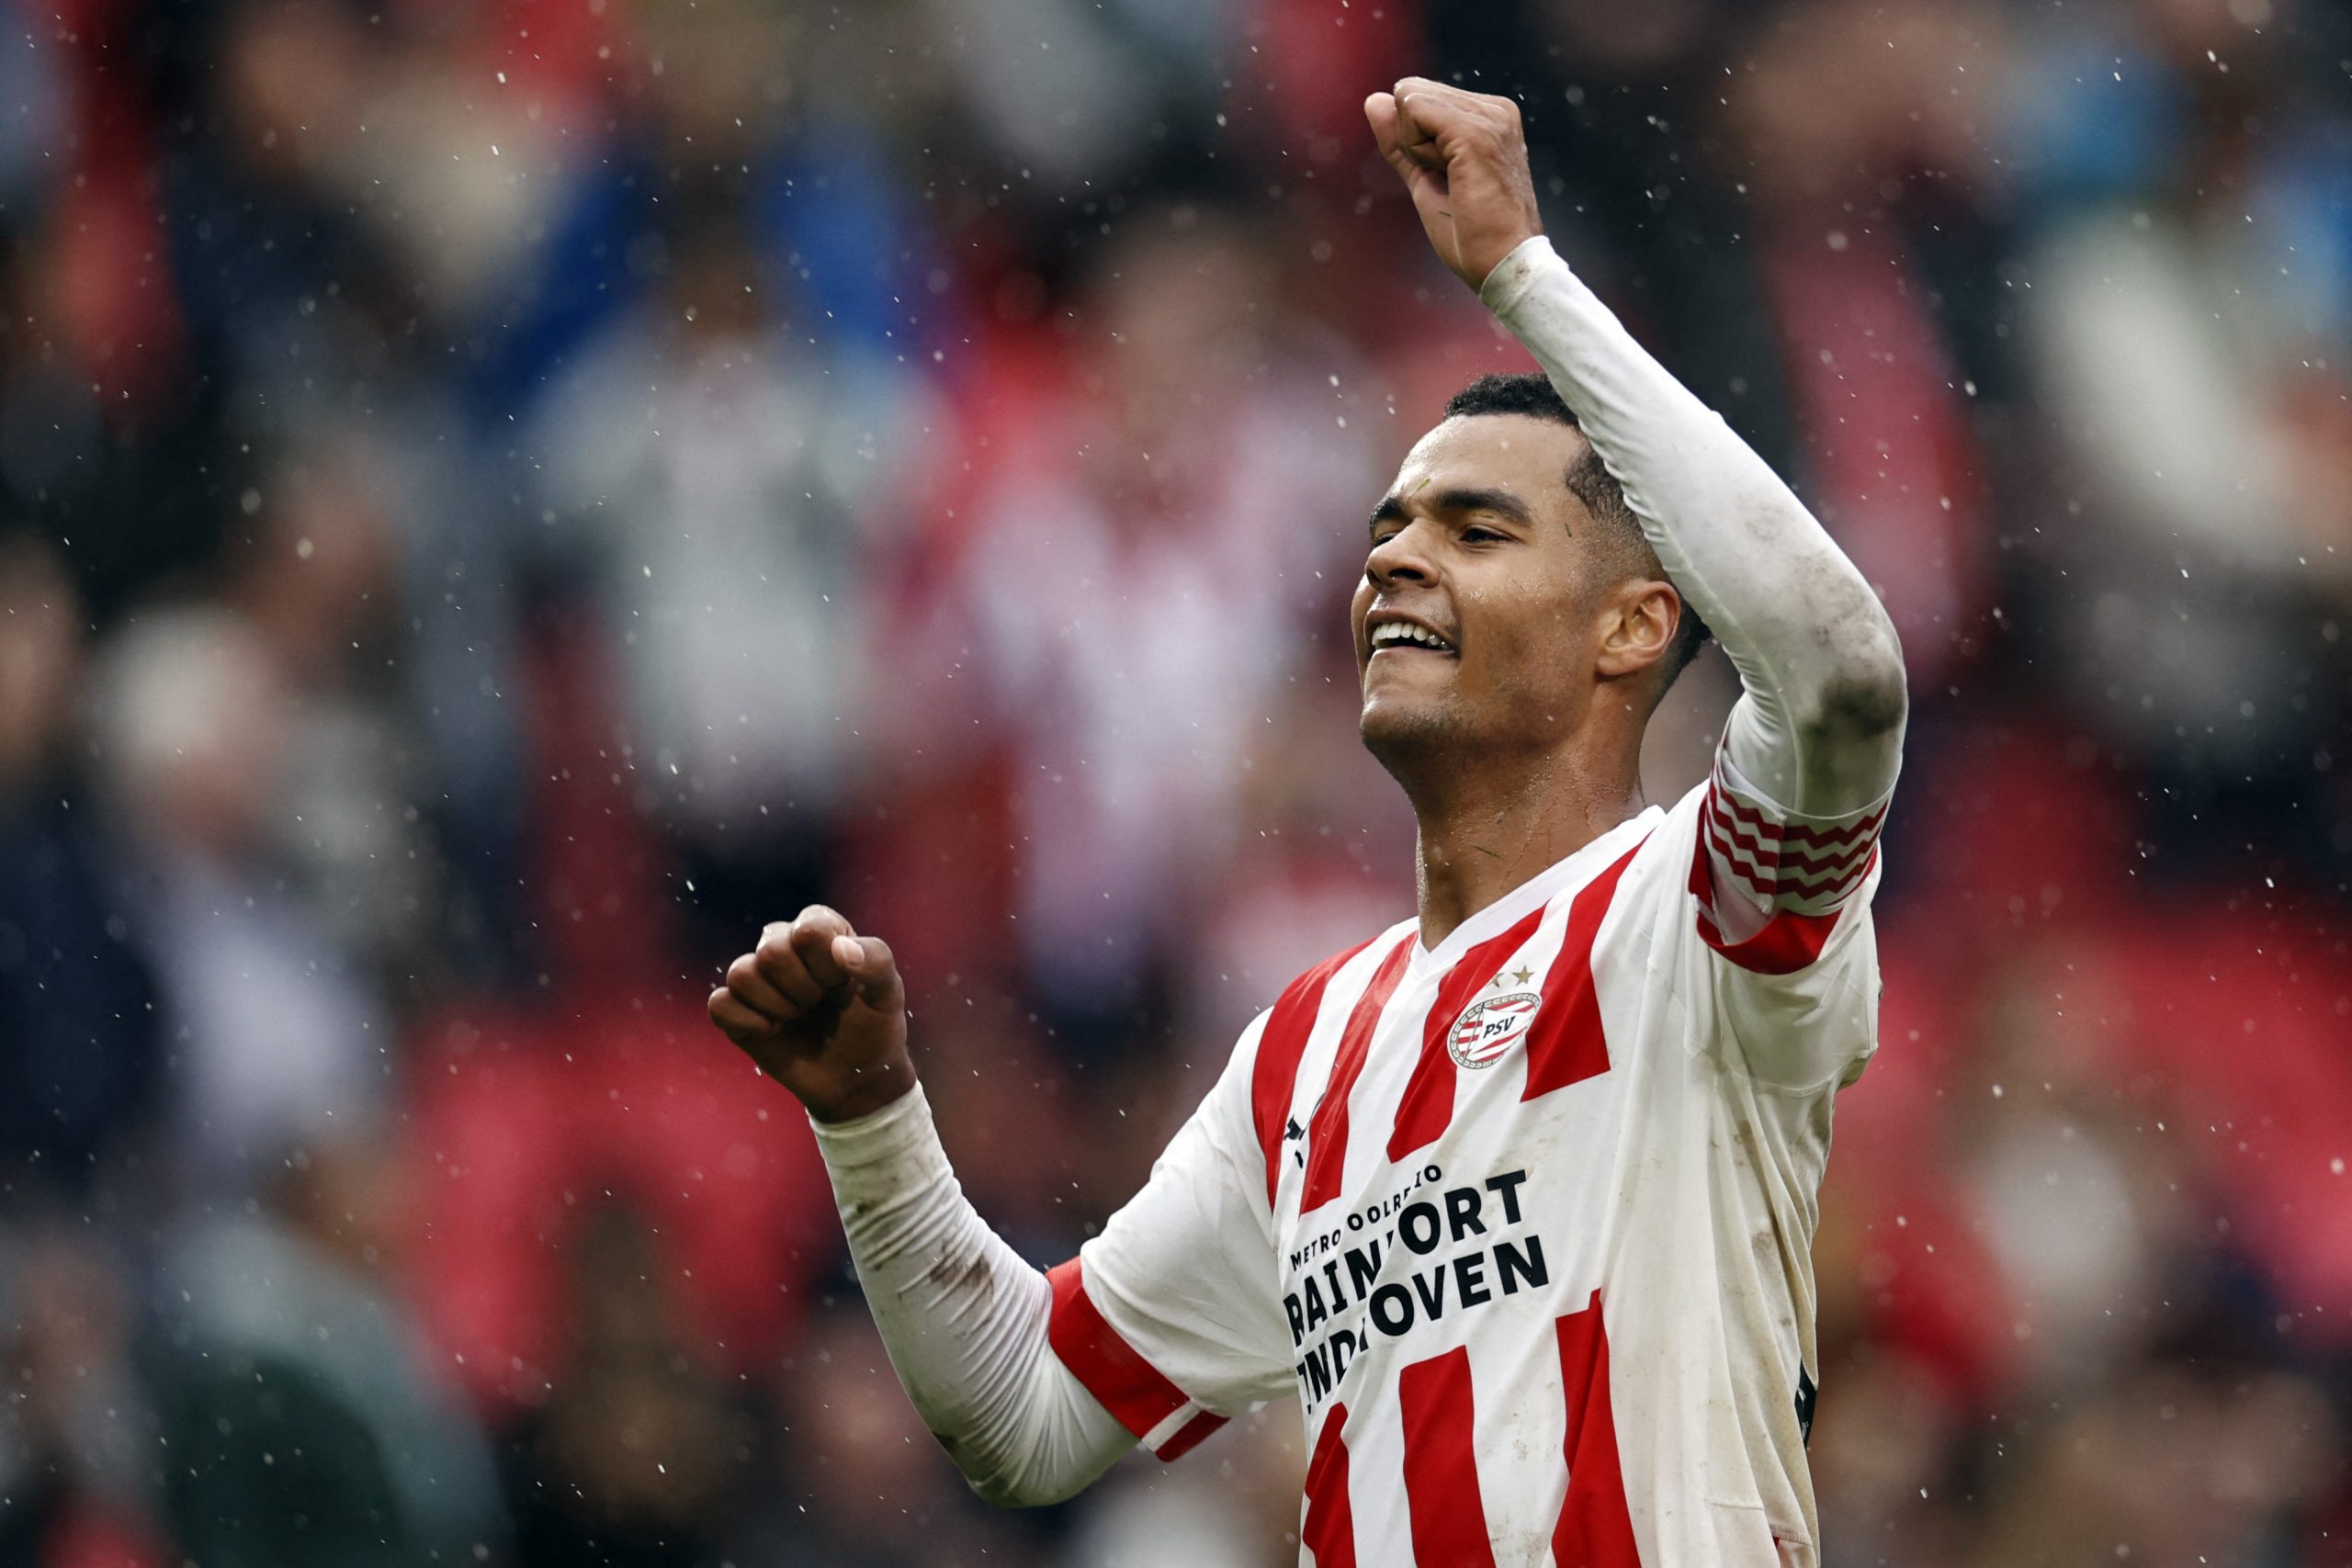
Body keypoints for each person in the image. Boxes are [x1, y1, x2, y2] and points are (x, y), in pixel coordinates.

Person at [707, 76, 1907, 1568]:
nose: (1397, 562)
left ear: (1631, 627)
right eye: (1387, 529)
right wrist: (872, 1117)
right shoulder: (1308, 1060)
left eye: (1476, 530)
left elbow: (1843, 669)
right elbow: (1024, 1412)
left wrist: (1524, 284)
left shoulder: (1704, 920)